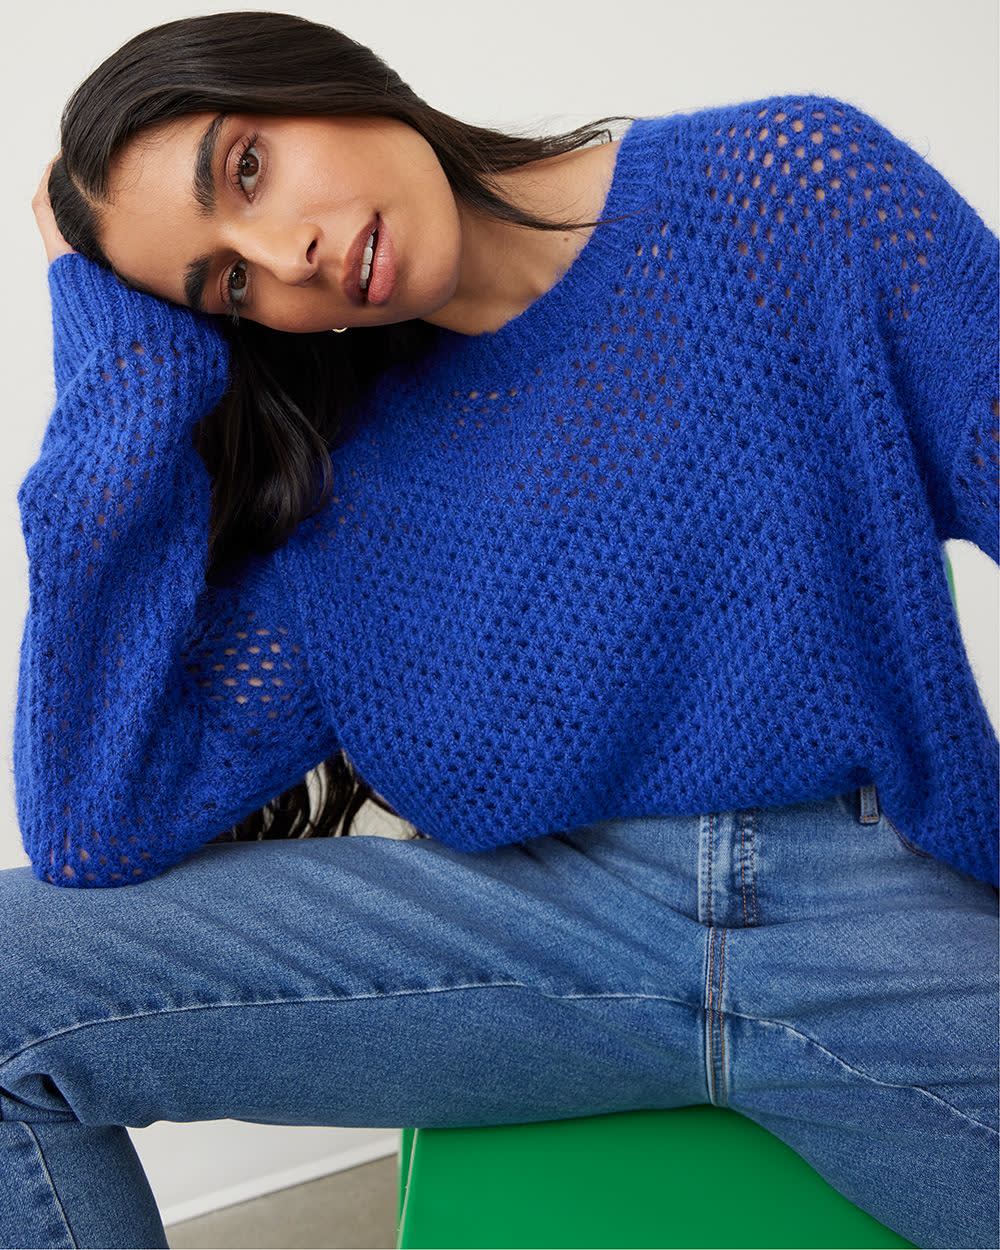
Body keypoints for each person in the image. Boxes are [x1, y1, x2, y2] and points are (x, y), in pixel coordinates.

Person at [3, 11, 997, 1249]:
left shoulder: (789, 192)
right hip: (546, 938)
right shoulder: (334, 486)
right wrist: (120, 373)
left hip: (872, 902)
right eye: (228, 284)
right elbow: (93, 823)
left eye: (246, 168)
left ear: (312, 75)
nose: (284, 255)